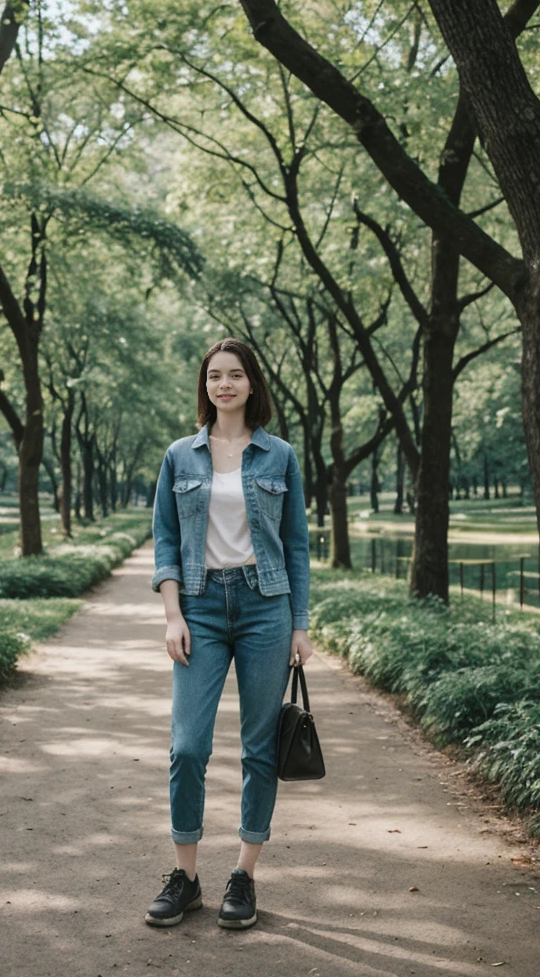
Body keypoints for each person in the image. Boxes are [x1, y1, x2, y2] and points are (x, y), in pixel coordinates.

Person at [145, 337, 313, 930]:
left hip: (267, 606)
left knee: (258, 748)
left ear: (251, 384)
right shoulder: (179, 456)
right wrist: (173, 614)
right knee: (188, 746)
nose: (225, 385)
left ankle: (243, 875)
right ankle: (187, 878)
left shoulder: (280, 456)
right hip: (201, 606)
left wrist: (300, 625)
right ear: (205, 385)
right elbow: (165, 539)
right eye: (215, 375)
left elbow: (296, 545)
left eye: (235, 375)